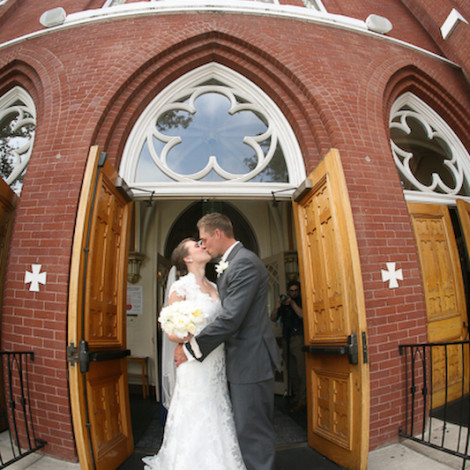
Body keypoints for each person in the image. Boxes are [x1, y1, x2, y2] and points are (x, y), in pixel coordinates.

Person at [175, 212, 282, 470]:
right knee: (244, 430)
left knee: (253, 432)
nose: (203, 245)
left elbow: (231, 319)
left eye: (204, 239)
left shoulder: (243, 262)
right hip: (238, 362)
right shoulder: (229, 264)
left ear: (218, 234)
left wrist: (191, 349)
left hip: (251, 360)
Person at [143, 237, 246, 470]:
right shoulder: (181, 287)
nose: (203, 245)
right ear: (187, 258)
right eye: (196, 245)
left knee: (217, 406)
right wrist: (186, 332)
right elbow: (170, 330)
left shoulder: (215, 285)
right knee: (196, 410)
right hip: (193, 362)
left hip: (216, 361)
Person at [270, 280, 306, 412]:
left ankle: (303, 400)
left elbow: (302, 315)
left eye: (296, 291)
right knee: (291, 371)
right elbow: (273, 318)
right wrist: (278, 306)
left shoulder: (301, 300)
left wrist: (292, 303)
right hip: (286, 338)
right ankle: (297, 396)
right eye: (291, 291)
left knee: (301, 370)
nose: (294, 293)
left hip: (298, 338)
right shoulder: (283, 303)